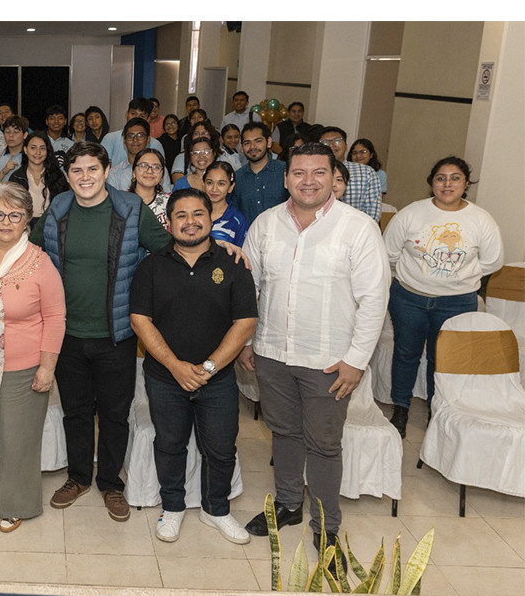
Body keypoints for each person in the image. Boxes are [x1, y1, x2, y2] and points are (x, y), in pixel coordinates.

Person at [239, 142, 389, 563]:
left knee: (324, 445)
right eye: (299, 173)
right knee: (283, 433)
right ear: (285, 179)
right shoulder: (266, 225)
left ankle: (326, 528)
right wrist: (248, 341)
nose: (308, 181)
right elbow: (247, 288)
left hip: (329, 361)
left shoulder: (358, 229)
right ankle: (287, 505)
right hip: (271, 353)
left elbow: (374, 300)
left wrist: (356, 360)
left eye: (318, 172)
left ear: (334, 178)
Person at [37, 141, 172, 523]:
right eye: (76, 171)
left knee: (114, 413)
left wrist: (221, 250)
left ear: (108, 170)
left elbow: (166, 251)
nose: (84, 177)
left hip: (117, 335)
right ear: (68, 176)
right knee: (76, 412)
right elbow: (27, 248)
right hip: (68, 334)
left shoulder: (130, 209)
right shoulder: (59, 208)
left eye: (92, 169)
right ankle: (79, 477)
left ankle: (111, 482)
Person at [130, 188, 258, 544]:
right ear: (169, 223)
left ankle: (216, 509)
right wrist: (175, 367)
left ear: (211, 217)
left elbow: (245, 322)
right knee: (170, 444)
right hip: (164, 377)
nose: (190, 221)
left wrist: (209, 367)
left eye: (198, 213)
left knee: (221, 447)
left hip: (217, 379)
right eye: (181, 215)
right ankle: (171, 507)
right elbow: (140, 320)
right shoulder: (151, 266)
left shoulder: (234, 264)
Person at [0, 182, 66, 532]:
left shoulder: (40, 263)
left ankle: (16, 503)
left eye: (14, 215)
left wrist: (47, 367)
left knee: (18, 440)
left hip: (22, 368)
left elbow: (55, 317)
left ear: (26, 220)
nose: (6, 221)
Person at [382, 156, 503, 437]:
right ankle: (400, 408)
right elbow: (388, 252)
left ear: (465, 184)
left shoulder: (480, 219)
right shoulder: (411, 213)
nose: (447, 183)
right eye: (440, 178)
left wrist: (458, 276)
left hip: (457, 302)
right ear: (431, 183)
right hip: (409, 298)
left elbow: (493, 261)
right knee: (405, 353)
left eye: (455, 177)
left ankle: (437, 413)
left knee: (444, 359)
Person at [318, 126, 381, 222]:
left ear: (346, 146)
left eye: (337, 141)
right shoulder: (312, 171)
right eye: (325, 142)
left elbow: (372, 215)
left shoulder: (367, 173)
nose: (331, 145)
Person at [8, 132, 69, 221]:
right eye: (33, 148)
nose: (38, 152)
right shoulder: (16, 178)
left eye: (42, 148)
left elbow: (64, 207)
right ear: (25, 150)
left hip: (51, 226)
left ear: (47, 151)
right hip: (24, 227)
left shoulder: (58, 176)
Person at [233, 122, 287, 222]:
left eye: (258, 141)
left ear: (269, 142)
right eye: (247, 143)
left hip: (282, 235)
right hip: (248, 236)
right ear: (242, 148)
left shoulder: (284, 171)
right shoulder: (237, 177)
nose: (252, 146)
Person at [109, 117, 171, 193]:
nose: (135, 140)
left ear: (148, 139)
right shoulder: (115, 173)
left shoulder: (158, 169)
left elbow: (167, 198)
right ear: (124, 140)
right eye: (130, 136)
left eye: (140, 135)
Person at [101, 98, 162, 169]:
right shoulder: (110, 138)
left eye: (142, 116)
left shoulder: (156, 145)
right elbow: (102, 168)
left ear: (148, 119)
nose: (136, 118)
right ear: (126, 114)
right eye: (133, 114)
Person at [204, 161, 249, 248]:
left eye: (221, 184)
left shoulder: (238, 220)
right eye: (209, 182)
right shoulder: (194, 214)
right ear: (203, 184)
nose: (214, 189)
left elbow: (241, 254)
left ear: (231, 187)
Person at [129, 148, 171, 229]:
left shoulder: (170, 203)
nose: (149, 171)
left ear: (162, 176)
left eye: (156, 167)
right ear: (134, 173)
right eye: (143, 166)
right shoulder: (121, 201)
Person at [0, 115, 27, 188]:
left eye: (16, 132)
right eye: (7, 132)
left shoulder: (31, 155)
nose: (11, 135)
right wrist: (4, 171)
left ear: (25, 135)